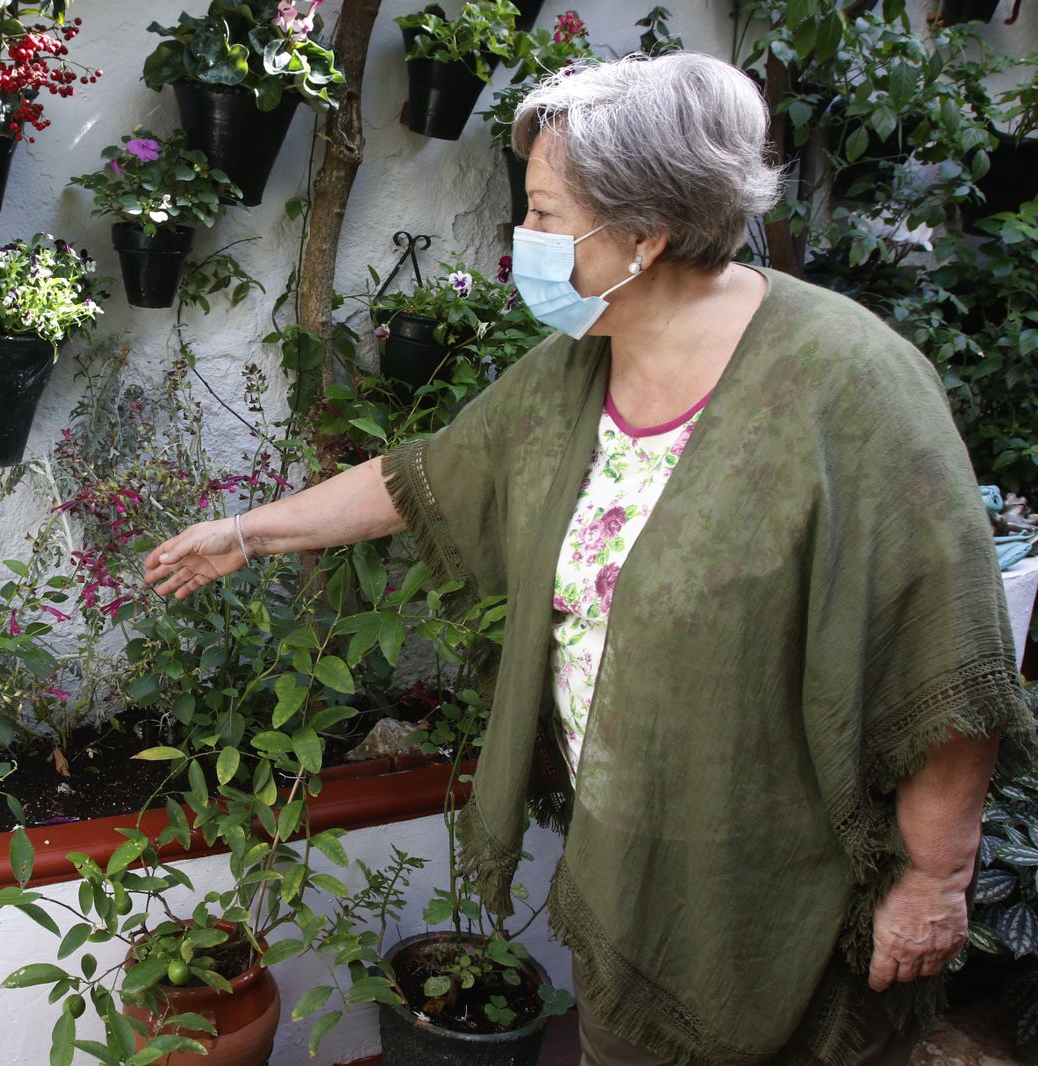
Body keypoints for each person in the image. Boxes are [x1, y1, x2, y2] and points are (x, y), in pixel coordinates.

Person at [143, 51, 1035, 1066]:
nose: (519, 239)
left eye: (543, 213)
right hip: (628, 864)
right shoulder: (578, 364)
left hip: (780, 882)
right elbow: (422, 475)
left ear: (645, 236)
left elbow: (943, 654)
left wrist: (935, 878)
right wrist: (245, 533)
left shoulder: (852, 384)